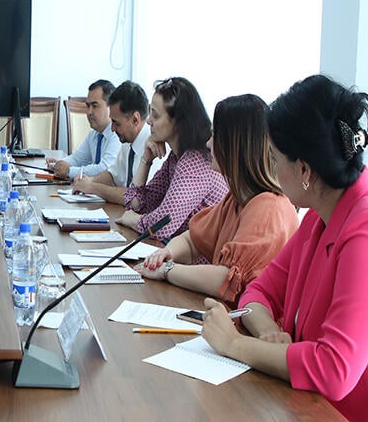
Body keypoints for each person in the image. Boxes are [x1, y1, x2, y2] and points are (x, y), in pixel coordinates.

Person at [199, 75, 368, 421]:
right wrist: (269, 334)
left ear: (305, 170)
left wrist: (235, 345)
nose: (272, 170)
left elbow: (334, 369)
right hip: (322, 407)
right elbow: (258, 292)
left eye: (275, 159)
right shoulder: (319, 217)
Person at [137, 94, 297, 303]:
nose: (209, 143)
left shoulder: (268, 207)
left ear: (234, 145)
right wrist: (168, 253)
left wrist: (167, 270)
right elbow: (193, 240)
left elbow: (225, 278)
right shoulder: (237, 199)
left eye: (215, 136)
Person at [116, 77, 227, 242]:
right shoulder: (176, 158)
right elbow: (136, 204)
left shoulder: (195, 162)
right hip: (176, 253)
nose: (149, 121)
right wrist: (146, 159)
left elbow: (161, 226)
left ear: (178, 123)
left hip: (198, 262)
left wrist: (134, 220)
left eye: (155, 115)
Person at [71, 81, 150, 204]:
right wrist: (91, 181)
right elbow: (113, 176)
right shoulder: (127, 140)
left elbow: (136, 198)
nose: (112, 129)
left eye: (116, 123)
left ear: (135, 120)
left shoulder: (154, 146)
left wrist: (93, 188)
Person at [47, 79, 121, 179]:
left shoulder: (118, 133)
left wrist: (69, 171)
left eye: (95, 106)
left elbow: (105, 169)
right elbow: (77, 159)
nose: (89, 112)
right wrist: (59, 164)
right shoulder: (94, 133)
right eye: (88, 106)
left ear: (110, 106)